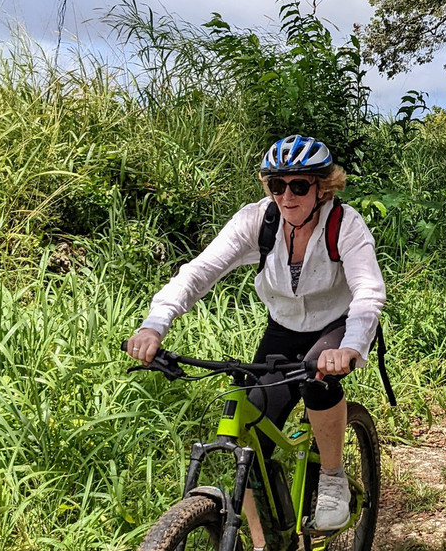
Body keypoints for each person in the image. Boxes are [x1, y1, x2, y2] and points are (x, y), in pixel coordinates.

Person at [124, 134, 386, 545]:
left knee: (318, 380)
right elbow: (199, 271)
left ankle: (332, 477)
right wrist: (155, 324)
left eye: (299, 185)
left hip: (335, 325)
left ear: (323, 187)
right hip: (282, 327)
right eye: (276, 185)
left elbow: (368, 292)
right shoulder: (256, 221)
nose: (286, 195)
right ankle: (268, 541)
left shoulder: (345, 225)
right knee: (246, 436)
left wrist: (350, 348)